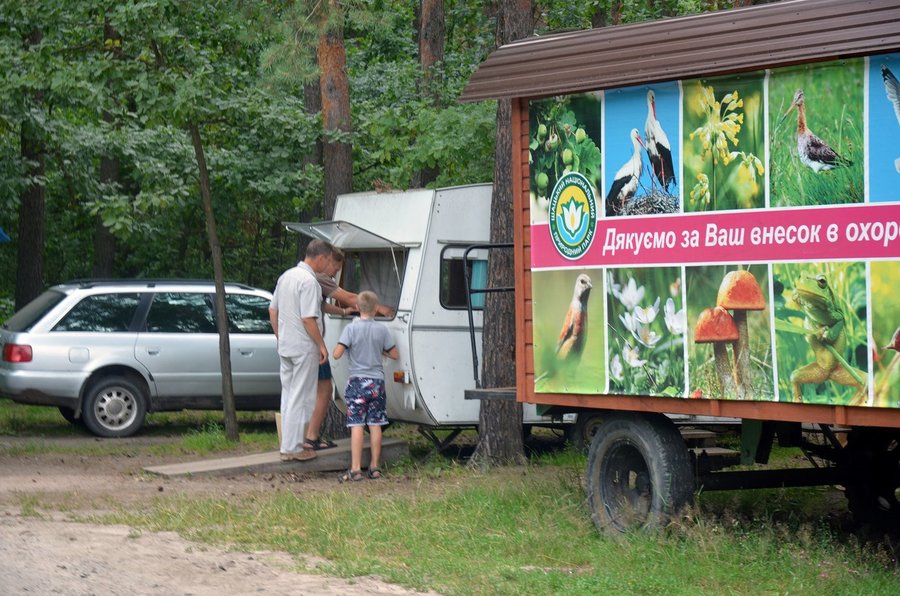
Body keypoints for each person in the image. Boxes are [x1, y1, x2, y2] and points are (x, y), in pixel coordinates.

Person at [304, 247, 395, 452]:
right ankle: (310, 437)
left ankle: (308, 437)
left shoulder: (307, 279)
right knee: (324, 389)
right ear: (326, 261)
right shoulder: (320, 278)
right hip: (313, 345)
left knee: (313, 390)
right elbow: (350, 298)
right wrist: (380, 309)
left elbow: (321, 305)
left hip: (348, 375)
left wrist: (342, 312)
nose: (336, 273)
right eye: (336, 267)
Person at [268, 239, 333, 462]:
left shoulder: (285, 276)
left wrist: (280, 336)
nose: (327, 266)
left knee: (288, 395)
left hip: (286, 345)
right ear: (321, 257)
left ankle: (287, 444)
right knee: (301, 396)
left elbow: (272, 310)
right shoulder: (309, 281)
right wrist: (321, 345)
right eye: (327, 261)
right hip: (304, 347)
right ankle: (293, 448)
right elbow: (308, 318)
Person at [332, 290, 399, 481]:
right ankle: (375, 467)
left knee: (357, 425)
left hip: (357, 383)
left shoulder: (351, 329)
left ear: (357, 308)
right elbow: (394, 355)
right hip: (376, 383)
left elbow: (336, 353)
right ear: (376, 309)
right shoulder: (382, 330)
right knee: (376, 424)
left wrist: (348, 348)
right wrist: (382, 353)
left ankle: (355, 469)